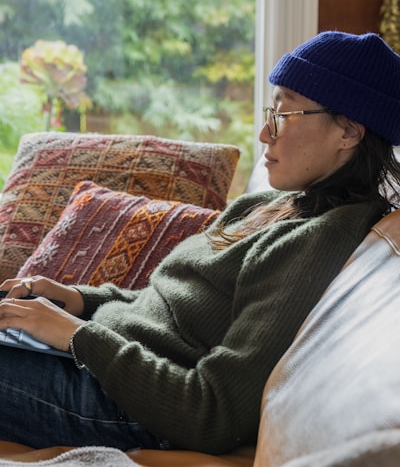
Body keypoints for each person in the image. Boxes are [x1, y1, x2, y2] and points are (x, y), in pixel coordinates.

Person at [1, 31, 400, 455]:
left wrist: (77, 336)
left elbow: (214, 415)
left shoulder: (322, 239)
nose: (265, 134)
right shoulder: (269, 206)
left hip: (126, 406)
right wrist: (78, 301)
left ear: (349, 133)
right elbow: (175, 314)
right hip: (98, 364)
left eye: (285, 114)